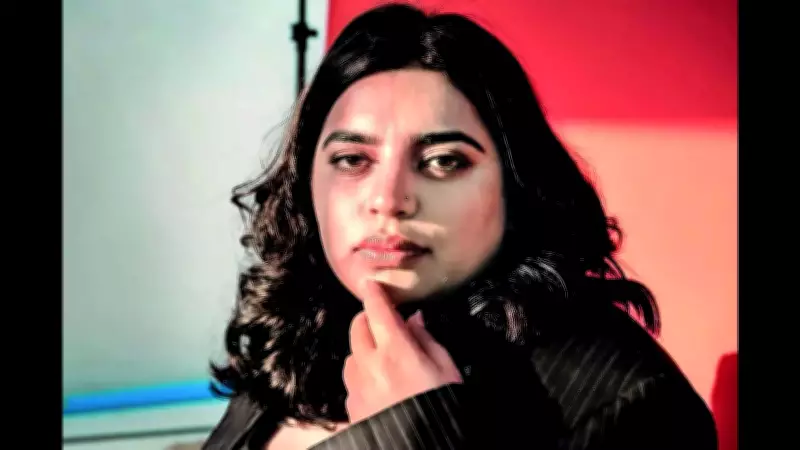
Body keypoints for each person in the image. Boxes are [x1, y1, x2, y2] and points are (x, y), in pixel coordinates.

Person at [203, 3, 718, 449]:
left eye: (443, 161)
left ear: (516, 185)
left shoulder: (631, 402)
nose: (389, 200)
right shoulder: (296, 332)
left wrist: (418, 430)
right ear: (306, 185)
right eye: (352, 160)